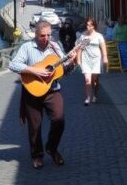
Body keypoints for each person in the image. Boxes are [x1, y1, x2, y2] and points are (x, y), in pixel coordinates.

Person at [9, 21, 76, 169]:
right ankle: (37, 155)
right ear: (36, 34)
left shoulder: (55, 46)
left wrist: (72, 62)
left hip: (52, 90)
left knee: (59, 119)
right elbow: (12, 64)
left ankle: (51, 148)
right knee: (35, 126)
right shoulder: (27, 47)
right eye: (42, 36)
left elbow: (65, 69)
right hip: (33, 92)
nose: (46, 38)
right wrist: (34, 71)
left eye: (48, 35)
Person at [75, 17, 108, 106]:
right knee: (87, 80)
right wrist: (78, 59)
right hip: (86, 60)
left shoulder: (98, 36)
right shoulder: (83, 36)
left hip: (96, 60)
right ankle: (88, 98)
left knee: (94, 81)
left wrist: (105, 57)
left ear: (93, 26)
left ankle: (95, 95)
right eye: (87, 25)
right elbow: (80, 49)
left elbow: (103, 47)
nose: (88, 27)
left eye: (90, 25)